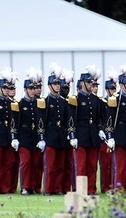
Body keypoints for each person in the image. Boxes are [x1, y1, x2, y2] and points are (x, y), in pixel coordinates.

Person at [69, 65, 105, 194]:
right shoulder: (76, 99)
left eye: (93, 82)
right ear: (82, 83)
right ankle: (81, 190)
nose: (91, 84)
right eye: (89, 82)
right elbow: (71, 119)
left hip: (93, 135)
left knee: (92, 166)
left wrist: (100, 129)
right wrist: (72, 135)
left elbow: (100, 118)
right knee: (81, 166)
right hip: (81, 135)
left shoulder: (96, 99)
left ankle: (91, 189)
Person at [0, 69, 19, 194]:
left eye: (8, 88)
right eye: (4, 88)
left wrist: (14, 137)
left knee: (8, 164)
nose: (6, 90)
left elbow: (13, 121)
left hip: (8, 136)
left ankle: (5, 188)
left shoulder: (12, 103)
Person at [42, 64, 71, 195]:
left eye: (59, 83)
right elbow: (42, 121)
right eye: (55, 84)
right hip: (51, 135)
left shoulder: (64, 102)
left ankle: (58, 188)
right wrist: (42, 138)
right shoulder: (45, 102)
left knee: (60, 165)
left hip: (61, 136)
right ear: (49, 86)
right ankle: (49, 188)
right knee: (50, 165)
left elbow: (67, 119)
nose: (58, 86)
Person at [17, 69, 44, 195]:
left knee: (37, 163)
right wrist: (15, 137)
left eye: (34, 88)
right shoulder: (20, 103)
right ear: (25, 89)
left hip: (36, 136)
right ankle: (25, 186)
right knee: (26, 162)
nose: (33, 91)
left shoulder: (39, 103)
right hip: (24, 136)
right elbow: (16, 122)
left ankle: (35, 187)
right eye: (30, 88)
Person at [98, 71, 117, 193]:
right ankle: (105, 187)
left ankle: (114, 186)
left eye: (114, 88)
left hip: (115, 136)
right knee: (105, 164)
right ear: (106, 89)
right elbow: (100, 118)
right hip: (104, 137)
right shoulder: (102, 102)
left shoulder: (117, 101)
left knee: (115, 163)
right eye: (110, 88)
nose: (113, 90)